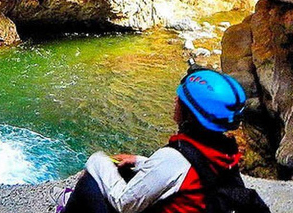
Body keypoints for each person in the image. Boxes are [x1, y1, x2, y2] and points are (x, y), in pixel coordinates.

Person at [57, 68, 269, 213]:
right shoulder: (225, 150)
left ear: (189, 113)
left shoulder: (172, 158)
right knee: (126, 171)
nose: (175, 100)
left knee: (91, 181)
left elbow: (125, 204)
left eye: (180, 99)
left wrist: (98, 159)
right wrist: (141, 161)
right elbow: (194, 172)